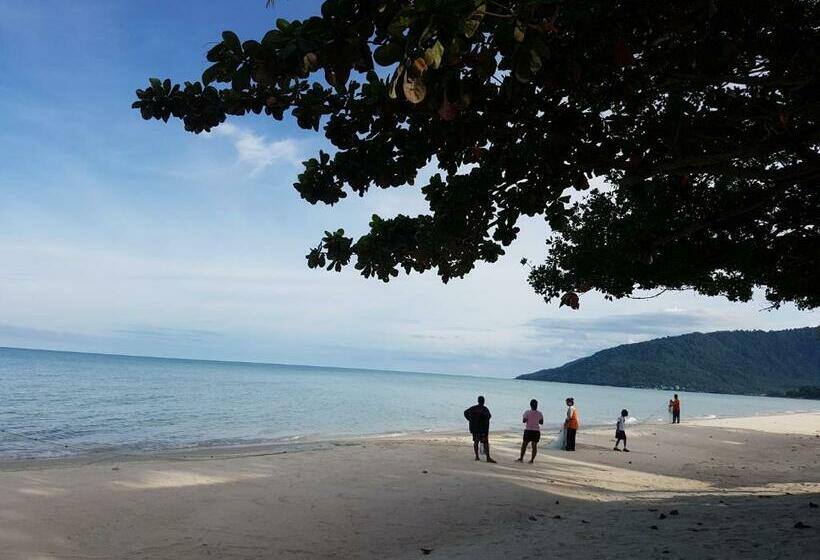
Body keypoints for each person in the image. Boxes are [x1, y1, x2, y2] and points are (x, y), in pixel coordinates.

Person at [464, 396, 496, 463]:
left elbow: (465, 412)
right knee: (485, 443)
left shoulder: (473, 408)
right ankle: (488, 457)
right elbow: (489, 417)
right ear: (484, 401)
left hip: (475, 428)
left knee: (476, 441)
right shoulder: (484, 409)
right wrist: (470, 419)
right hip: (482, 429)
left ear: (478, 401)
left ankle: (477, 457)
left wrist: (470, 420)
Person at [517, 399, 544, 463]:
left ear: (530, 405)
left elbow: (524, 421)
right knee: (534, 446)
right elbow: (541, 422)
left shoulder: (527, 412)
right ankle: (531, 460)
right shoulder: (540, 413)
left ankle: (521, 458)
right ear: (537, 405)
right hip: (536, 431)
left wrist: (528, 418)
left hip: (528, 431)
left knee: (524, 445)